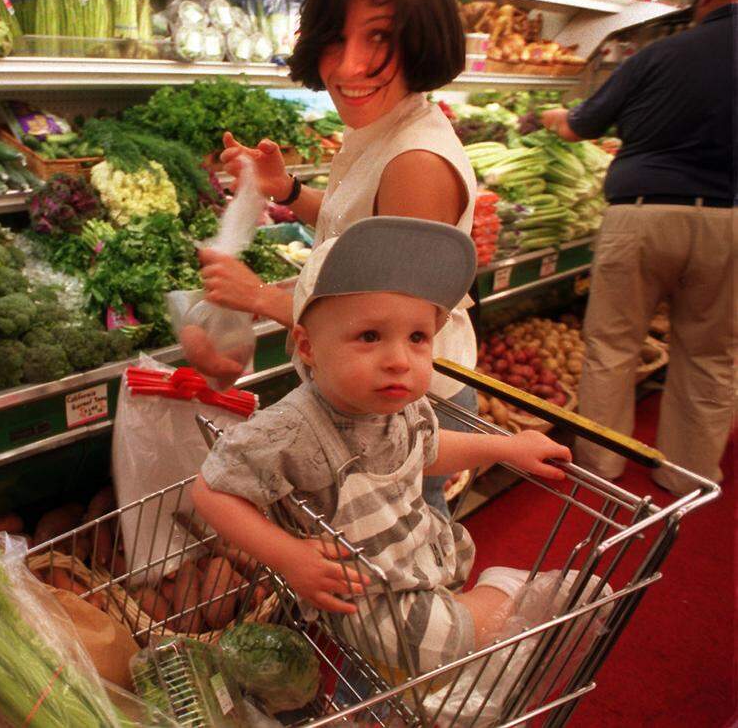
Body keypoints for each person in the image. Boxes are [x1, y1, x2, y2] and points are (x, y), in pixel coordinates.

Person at [191, 217, 575, 680]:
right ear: (309, 347)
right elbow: (211, 491)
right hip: (363, 596)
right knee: (439, 647)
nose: (398, 360)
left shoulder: (400, 406)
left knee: (431, 645)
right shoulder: (290, 429)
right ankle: (506, 597)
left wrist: (507, 447)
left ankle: (486, 607)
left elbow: (429, 450)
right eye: (370, 336)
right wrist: (289, 557)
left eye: (417, 338)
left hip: (409, 557)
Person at [182, 0, 478, 517]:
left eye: (379, 38)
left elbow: (382, 323)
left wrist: (259, 297)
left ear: (421, 38)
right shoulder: (387, 128)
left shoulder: (416, 161)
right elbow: (364, 231)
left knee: (406, 559)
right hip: (373, 392)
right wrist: (288, 191)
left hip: (407, 401)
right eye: (336, 39)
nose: (348, 67)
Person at [540, 0, 736, 495]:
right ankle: (687, 474)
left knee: (613, 343)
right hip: (730, 221)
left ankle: (601, 466)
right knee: (712, 356)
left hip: (643, 214)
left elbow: (581, 128)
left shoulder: (660, 55)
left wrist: (556, 117)